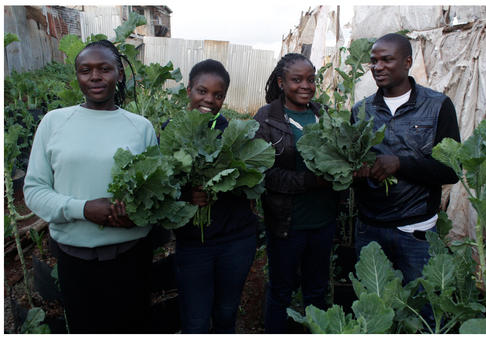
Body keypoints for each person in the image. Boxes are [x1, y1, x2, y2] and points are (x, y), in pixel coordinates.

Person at [24, 39, 158, 333]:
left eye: (104, 69)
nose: (95, 77)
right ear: (77, 76)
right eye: (85, 70)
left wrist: (138, 215)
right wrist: (83, 209)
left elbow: (158, 192)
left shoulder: (141, 127)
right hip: (74, 258)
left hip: (131, 256)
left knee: (132, 326)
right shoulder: (53, 123)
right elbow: (34, 190)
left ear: (119, 74)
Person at [352, 33, 460, 284]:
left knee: (423, 308)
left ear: (407, 62)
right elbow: (352, 164)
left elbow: (451, 171)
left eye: (387, 60)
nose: (378, 67)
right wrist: (356, 172)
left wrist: (400, 164)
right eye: (374, 61)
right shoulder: (360, 111)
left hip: (416, 229)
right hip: (370, 228)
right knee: (374, 306)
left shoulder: (437, 106)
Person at [252, 53, 340, 334]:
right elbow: (263, 174)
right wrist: (310, 181)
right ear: (281, 82)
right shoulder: (267, 119)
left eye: (311, 80)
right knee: (281, 290)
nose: (306, 85)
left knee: (316, 290)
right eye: (297, 80)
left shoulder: (322, 114)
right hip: (287, 224)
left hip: (323, 221)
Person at [170, 59, 258, 334]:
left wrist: (220, 184)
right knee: (195, 319)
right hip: (194, 244)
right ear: (188, 91)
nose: (209, 99)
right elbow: (163, 183)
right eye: (202, 91)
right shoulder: (169, 130)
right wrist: (187, 194)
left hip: (236, 240)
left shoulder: (232, 134)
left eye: (218, 95)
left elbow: (251, 181)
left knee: (226, 312)